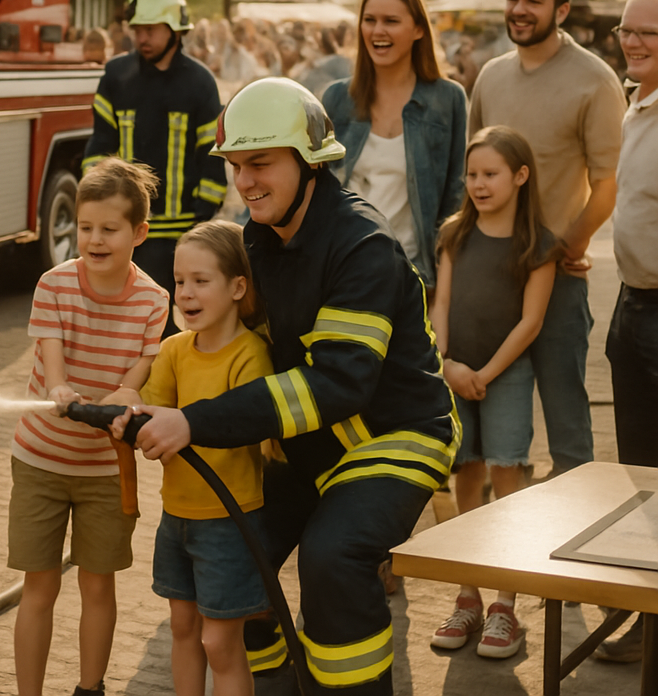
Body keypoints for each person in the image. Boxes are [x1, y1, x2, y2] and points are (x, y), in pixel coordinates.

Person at [127, 78, 459, 696]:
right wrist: (140, 390)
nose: (246, 182)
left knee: (331, 558)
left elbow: (336, 383)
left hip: (396, 436)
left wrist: (196, 422)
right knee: (237, 545)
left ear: (309, 163)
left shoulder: (363, 247)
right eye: (235, 166)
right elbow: (226, 335)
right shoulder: (260, 236)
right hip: (311, 445)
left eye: (261, 163)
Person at [9, 157, 169, 696]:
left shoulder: (154, 299)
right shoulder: (53, 285)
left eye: (109, 229)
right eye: (85, 228)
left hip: (105, 469)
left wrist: (129, 389)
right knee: (40, 587)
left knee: (98, 587)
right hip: (41, 461)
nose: (94, 240)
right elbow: (52, 356)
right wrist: (59, 387)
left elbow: (142, 369)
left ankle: (90, 688)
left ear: (139, 232)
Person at [469, 0, 626, 476]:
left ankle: (576, 544)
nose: (519, 9)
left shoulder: (595, 81)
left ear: (561, 9)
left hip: (557, 280)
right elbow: (471, 176)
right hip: (490, 280)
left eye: (533, 1)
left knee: (568, 430)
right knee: (493, 433)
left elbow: (608, 186)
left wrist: (569, 248)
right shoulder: (490, 77)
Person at [114, 220, 273, 696]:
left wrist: (167, 420)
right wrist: (126, 411)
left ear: (237, 286)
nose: (185, 293)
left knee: (220, 642)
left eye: (201, 281)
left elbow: (239, 423)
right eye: (180, 281)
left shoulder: (250, 355)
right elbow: (152, 411)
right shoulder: (174, 350)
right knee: (183, 629)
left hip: (231, 521)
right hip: (176, 518)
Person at [429, 126, 557, 658]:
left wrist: (486, 372)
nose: (478, 184)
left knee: (508, 475)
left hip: (506, 378)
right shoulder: (455, 233)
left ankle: (506, 603)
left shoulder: (537, 244)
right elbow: (440, 307)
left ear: (520, 176)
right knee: (467, 474)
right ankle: (468, 593)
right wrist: (448, 364)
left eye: (491, 175)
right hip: (456, 374)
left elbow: (530, 322)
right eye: (472, 175)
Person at [83, 0, 227, 336]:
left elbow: (212, 158)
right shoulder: (116, 77)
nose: (142, 37)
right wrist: (98, 211)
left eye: (151, 30)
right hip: (125, 232)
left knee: (173, 333)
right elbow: (100, 144)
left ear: (175, 31)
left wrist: (199, 216)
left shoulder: (200, 83)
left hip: (180, 236)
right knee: (119, 328)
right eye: (138, 30)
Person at [322, 0, 467, 293]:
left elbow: (456, 197)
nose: (378, 30)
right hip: (342, 272)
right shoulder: (336, 99)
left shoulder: (448, 99)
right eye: (369, 20)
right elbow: (316, 191)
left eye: (391, 21)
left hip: (415, 278)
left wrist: (442, 288)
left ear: (418, 29)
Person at [594, 0, 658, 664]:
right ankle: (646, 619)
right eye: (625, 30)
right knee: (640, 474)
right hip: (632, 306)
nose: (633, 42)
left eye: (649, 34)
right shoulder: (634, 100)